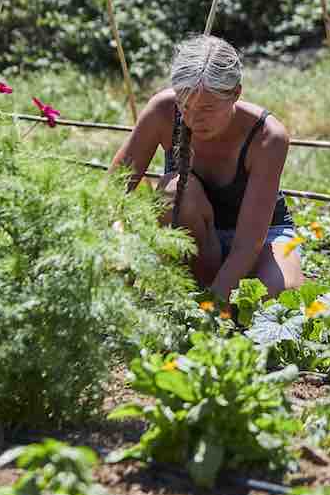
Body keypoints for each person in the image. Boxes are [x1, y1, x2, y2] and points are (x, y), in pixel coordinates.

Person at [108, 35, 304, 301]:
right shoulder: (163, 111)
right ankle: (195, 285)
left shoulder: (268, 137)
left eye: (208, 108)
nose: (193, 118)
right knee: (174, 192)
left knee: (281, 293)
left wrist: (212, 309)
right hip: (195, 236)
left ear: (236, 93)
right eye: (185, 106)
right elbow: (112, 193)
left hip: (260, 238)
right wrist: (113, 246)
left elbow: (249, 243)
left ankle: (211, 293)